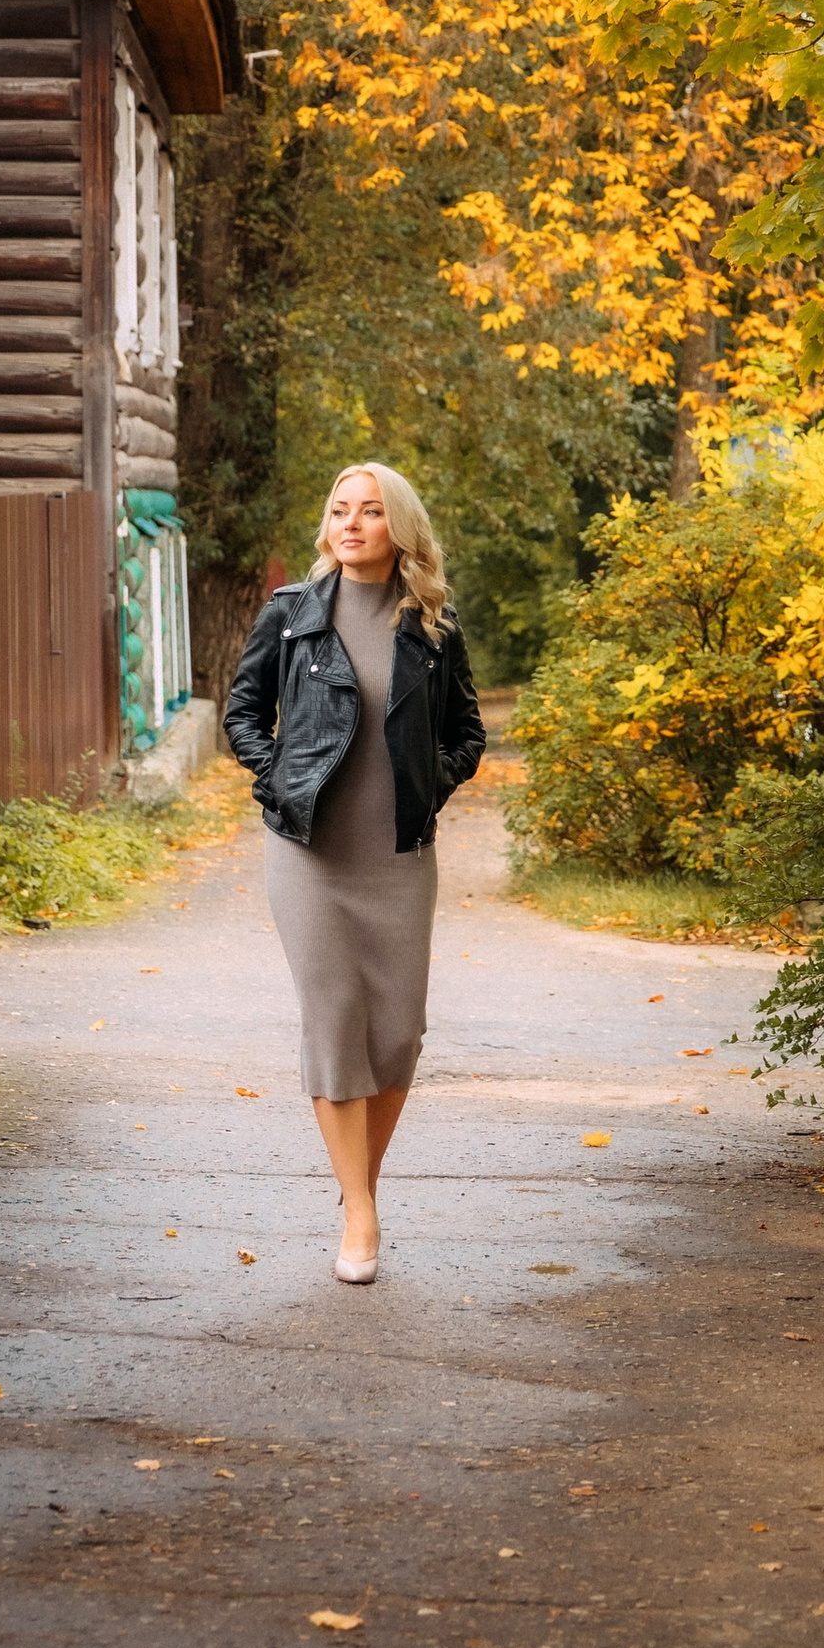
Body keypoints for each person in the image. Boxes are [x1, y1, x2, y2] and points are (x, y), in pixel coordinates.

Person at [221, 463, 486, 1283]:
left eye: (371, 511)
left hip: (399, 857)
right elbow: (242, 711)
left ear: (398, 528)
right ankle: (362, 1217)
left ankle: (354, 1188)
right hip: (310, 855)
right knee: (335, 1023)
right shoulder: (292, 616)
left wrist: (431, 784)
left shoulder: (433, 627)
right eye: (340, 510)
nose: (353, 523)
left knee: (397, 1034)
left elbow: (467, 732)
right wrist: (278, 781)